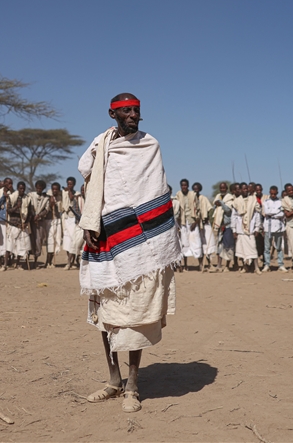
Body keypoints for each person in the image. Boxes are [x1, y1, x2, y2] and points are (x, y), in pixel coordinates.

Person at [79, 93, 181, 413]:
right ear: (113, 114)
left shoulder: (150, 145)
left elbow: (154, 189)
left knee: (137, 312)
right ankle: (114, 381)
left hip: (143, 245)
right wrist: (90, 221)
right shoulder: (101, 144)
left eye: (136, 110)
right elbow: (88, 178)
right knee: (106, 313)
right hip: (106, 235)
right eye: (126, 111)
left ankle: (133, 386)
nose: (132, 115)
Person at [174, 179, 202, 272]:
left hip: (192, 221)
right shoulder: (178, 195)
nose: (184, 187)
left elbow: (198, 209)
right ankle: (185, 265)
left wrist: (195, 222)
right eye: (182, 185)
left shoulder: (193, 195)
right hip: (182, 222)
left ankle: (200, 264)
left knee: (196, 242)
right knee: (184, 242)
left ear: (188, 186)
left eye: (185, 185)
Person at [233, 183, 261, 273]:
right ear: (240, 190)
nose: (245, 190)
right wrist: (234, 230)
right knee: (241, 250)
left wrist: (257, 228)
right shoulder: (236, 201)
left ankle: (256, 267)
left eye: (246, 189)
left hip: (250, 228)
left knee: (253, 248)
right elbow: (233, 216)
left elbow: (257, 215)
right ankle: (245, 267)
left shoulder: (253, 200)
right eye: (243, 189)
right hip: (240, 229)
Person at [5, 181, 32, 270]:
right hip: (13, 225)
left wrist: (26, 223)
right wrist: (17, 206)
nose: (22, 190)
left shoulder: (27, 198)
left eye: (23, 188)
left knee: (22, 246)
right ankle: (5, 265)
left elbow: (30, 213)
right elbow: (8, 211)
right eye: (20, 188)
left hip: (22, 225)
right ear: (17, 189)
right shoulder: (12, 197)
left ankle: (18, 264)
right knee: (9, 246)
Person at [210, 182, 235, 272]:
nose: (222, 190)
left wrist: (221, 203)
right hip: (219, 225)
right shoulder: (218, 197)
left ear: (226, 189)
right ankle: (219, 265)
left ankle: (227, 265)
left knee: (228, 246)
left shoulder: (230, 198)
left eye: (224, 188)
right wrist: (216, 204)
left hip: (228, 225)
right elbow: (214, 208)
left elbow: (228, 209)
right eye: (221, 188)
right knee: (219, 245)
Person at [61, 177, 85, 270]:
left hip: (82, 223)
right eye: (68, 184)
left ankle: (78, 261)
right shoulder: (67, 194)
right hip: (72, 221)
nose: (69, 186)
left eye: (71, 184)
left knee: (79, 244)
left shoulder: (78, 196)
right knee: (70, 242)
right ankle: (69, 262)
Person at [262, 185, 287, 272]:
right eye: (271, 194)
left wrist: (273, 214)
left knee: (279, 247)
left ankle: (281, 264)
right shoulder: (266, 202)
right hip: (268, 227)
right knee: (267, 247)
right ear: (269, 193)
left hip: (278, 226)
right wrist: (276, 213)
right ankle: (267, 264)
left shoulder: (281, 202)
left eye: (274, 194)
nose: (273, 195)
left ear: (277, 193)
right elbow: (266, 212)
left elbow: (282, 213)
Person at [28, 180, 51, 268]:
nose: (39, 189)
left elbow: (46, 209)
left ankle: (35, 260)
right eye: (37, 188)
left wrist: (38, 215)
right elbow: (29, 207)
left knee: (38, 240)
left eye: (40, 188)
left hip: (40, 221)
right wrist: (33, 216)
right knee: (31, 239)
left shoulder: (46, 198)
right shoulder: (31, 195)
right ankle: (29, 258)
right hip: (31, 221)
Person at [46, 182, 64, 268]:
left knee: (57, 240)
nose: (55, 191)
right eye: (53, 189)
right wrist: (51, 204)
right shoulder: (48, 197)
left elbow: (61, 209)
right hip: (50, 221)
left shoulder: (61, 198)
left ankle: (52, 261)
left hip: (58, 220)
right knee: (50, 241)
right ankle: (48, 261)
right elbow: (46, 209)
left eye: (56, 189)